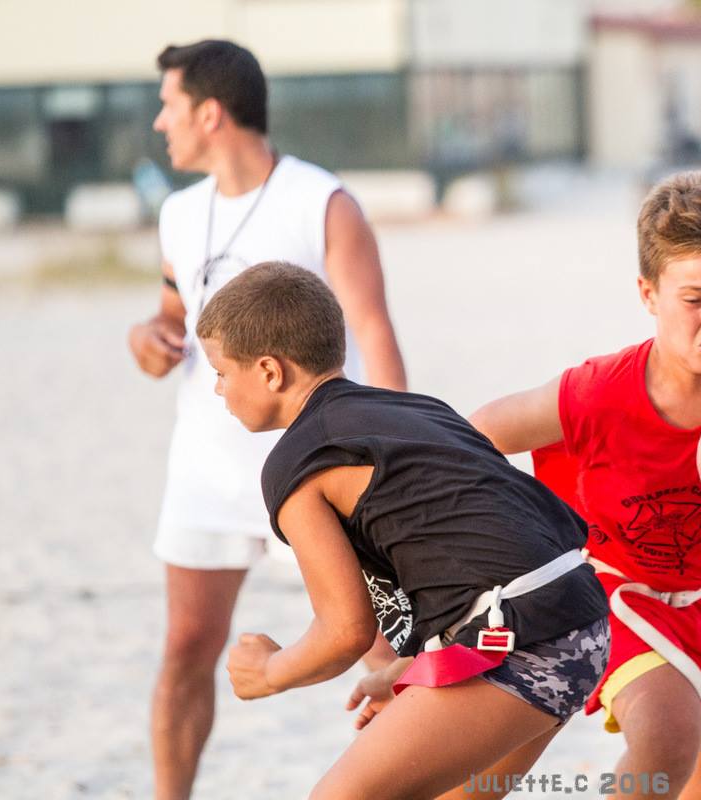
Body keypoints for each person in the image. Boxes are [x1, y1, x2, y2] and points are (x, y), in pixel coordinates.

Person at [194, 261, 610, 800]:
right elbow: (473, 551)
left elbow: (343, 634)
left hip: (519, 636)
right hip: (579, 617)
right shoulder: (416, 410)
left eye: (222, 372)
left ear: (270, 371)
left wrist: (270, 672)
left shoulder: (298, 464)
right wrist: (414, 671)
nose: (217, 389)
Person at [470, 172, 701, 799]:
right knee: (665, 734)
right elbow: (475, 437)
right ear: (648, 294)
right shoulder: (598, 391)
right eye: (694, 299)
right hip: (606, 594)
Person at [125, 40, 406, 800]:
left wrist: (391, 454)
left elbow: (373, 332)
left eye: (170, 106)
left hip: (316, 467)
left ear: (210, 114)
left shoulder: (323, 202)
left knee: (383, 645)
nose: (160, 123)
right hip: (205, 466)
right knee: (186, 647)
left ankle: (419, 773)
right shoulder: (180, 213)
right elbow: (171, 317)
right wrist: (147, 340)